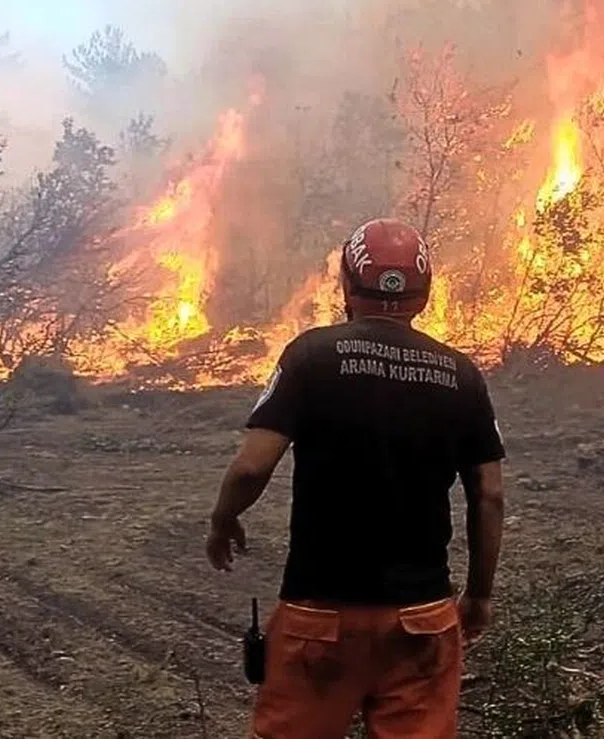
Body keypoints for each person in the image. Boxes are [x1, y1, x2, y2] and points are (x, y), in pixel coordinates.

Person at [206, 217, 507, 738]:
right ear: (425, 293)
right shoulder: (461, 375)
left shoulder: (311, 356)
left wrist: (223, 519)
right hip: (421, 618)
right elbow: (489, 495)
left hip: (320, 618)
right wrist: (479, 595)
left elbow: (253, 465)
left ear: (346, 283)